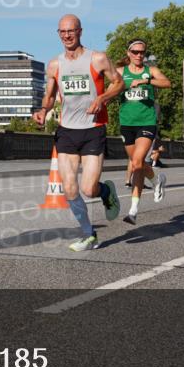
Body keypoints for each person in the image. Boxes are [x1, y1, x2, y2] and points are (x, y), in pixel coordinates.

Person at [32, 14, 123, 251]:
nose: (67, 36)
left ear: (80, 31)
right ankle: (88, 233)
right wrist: (43, 110)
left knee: (87, 188)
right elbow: (50, 96)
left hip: (93, 129)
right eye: (62, 32)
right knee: (69, 187)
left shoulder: (98, 58)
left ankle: (105, 191)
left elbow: (119, 82)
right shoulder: (55, 64)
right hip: (67, 131)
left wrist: (102, 98)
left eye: (71, 31)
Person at [115, 39, 170, 224]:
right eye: (136, 52)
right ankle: (157, 180)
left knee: (138, 162)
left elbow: (166, 82)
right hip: (126, 123)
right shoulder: (121, 72)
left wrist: (146, 80)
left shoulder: (150, 70)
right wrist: (118, 89)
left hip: (146, 122)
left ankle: (133, 210)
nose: (139, 55)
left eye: (142, 52)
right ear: (129, 53)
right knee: (136, 163)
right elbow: (110, 90)